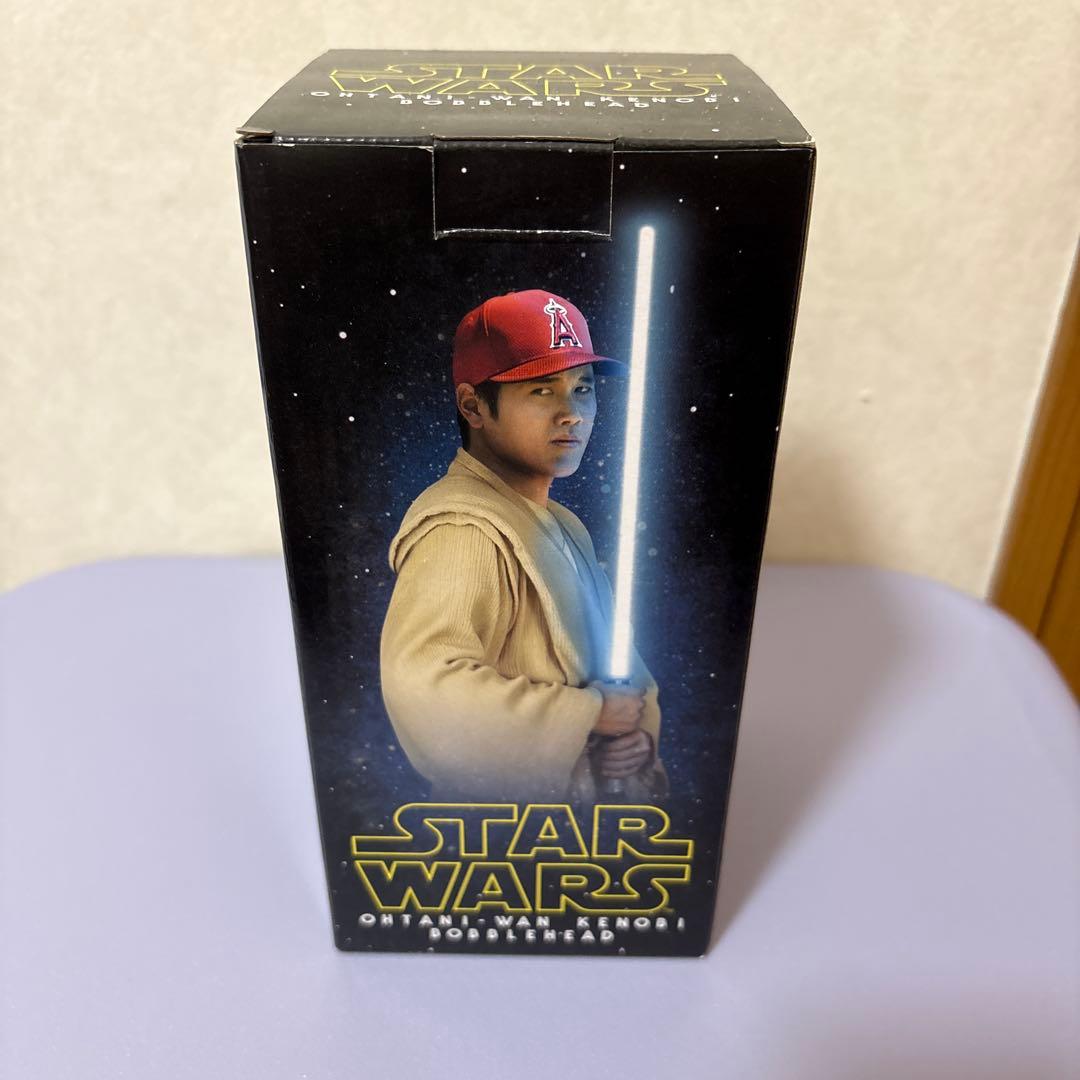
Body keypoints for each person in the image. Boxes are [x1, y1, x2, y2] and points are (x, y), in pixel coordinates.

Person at [379, 288, 668, 804]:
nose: (572, 413)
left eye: (582, 388)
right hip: (498, 829)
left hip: (581, 822)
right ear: (473, 406)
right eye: (541, 390)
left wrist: (634, 738)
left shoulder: (564, 525)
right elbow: (423, 689)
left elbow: (619, 668)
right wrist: (587, 717)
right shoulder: (462, 528)